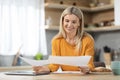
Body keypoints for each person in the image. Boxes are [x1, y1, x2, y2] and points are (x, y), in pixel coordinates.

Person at [33, 6, 95, 74]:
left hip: (83, 77)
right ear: (62, 21)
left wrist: (87, 68)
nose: (69, 25)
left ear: (79, 23)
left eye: (74, 22)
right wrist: (46, 68)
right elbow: (54, 65)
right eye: (67, 21)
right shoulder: (56, 41)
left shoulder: (88, 40)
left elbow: (90, 65)